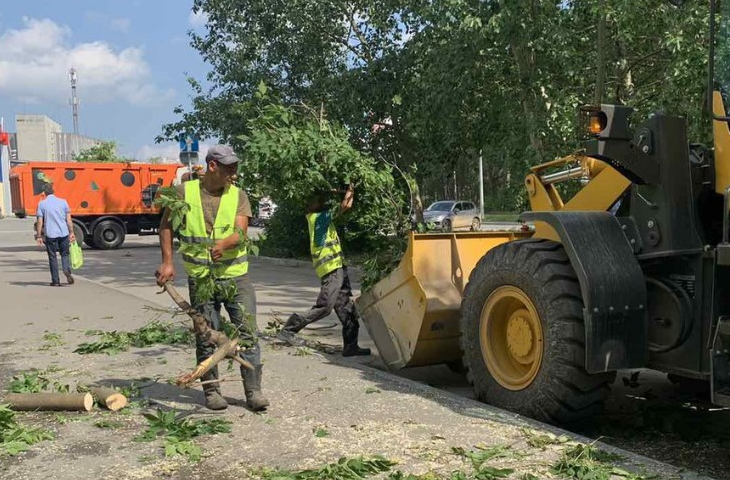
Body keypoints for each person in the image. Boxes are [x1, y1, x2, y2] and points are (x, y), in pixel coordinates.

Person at [155, 145, 269, 411]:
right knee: (206, 335)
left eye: (236, 168)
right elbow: (166, 226)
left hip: (236, 278)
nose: (234, 174)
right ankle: (212, 391)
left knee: (247, 334)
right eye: (229, 168)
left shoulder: (238, 195)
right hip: (201, 278)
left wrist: (226, 243)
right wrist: (168, 262)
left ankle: (253, 391)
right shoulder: (184, 192)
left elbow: (241, 232)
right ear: (212, 166)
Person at [277, 185, 371, 357]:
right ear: (309, 205)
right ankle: (290, 329)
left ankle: (351, 346)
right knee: (325, 307)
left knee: (346, 307)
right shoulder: (318, 219)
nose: (320, 201)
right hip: (331, 269)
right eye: (316, 199)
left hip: (338, 267)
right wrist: (351, 188)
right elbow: (346, 206)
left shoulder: (322, 218)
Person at [35, 183, 75, 286]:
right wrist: (71, 232)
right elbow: (69, 220)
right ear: (53, 191)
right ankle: (66, 270)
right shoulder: (63, 202)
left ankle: (55, 281)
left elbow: (40, 221)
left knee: (52, 257)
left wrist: (39, 235)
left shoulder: (42, 204)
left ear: (44, 193)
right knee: (65, 254)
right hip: (63, 233)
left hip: (50, 234)